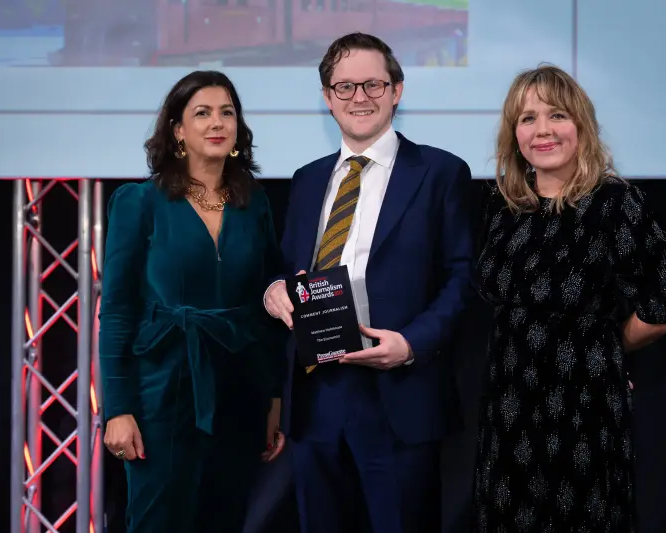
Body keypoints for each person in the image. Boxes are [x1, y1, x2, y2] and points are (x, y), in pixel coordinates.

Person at [263, 32, 474, 533]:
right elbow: (286, 267)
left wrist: (412, 343)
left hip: (400, 391)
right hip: (317, 398)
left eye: (373, 84)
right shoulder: (307, 179)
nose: (359, 97)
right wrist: (273, 290)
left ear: (397, 91)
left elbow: (464, 276)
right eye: (344, 87)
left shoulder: (441, 172)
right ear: (326, 98)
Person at [472, 64, 666, 532]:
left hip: (584, 407)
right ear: (514, 134)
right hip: (508, 406)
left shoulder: (618, 204)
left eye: (557, 115)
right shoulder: (502, 205)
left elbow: (660, 313)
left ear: (582, 126)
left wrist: (600, 352)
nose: (542, 130)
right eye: (527, 119)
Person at [98, 70, 287, 533]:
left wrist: (275, 397)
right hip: (161, 390)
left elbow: (267, 306)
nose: (216, 122)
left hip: (240, 391)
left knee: (225, 518)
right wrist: (117, 409)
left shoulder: (254, 203)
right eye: (201, 113)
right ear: (178, 130)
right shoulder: (138, 201)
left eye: (227, 112)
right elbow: (117, 312)